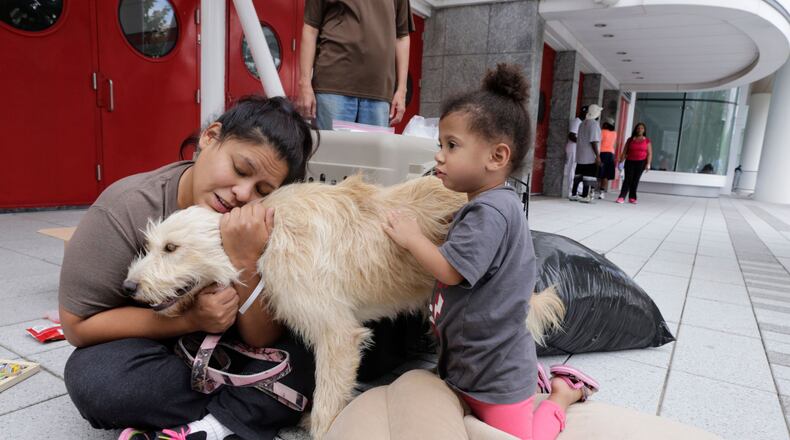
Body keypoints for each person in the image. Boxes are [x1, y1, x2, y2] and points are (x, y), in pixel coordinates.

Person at [59, 96, 318, 440]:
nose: (242, 193)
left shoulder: (265, 222)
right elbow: (77, 327)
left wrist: (245, 259)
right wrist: (190, 320)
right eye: (240, 170)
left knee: (316, 343)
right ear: (210, 137)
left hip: (242, 349)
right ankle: (254, 408)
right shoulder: (125, 207)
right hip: (163, 348)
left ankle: (211, 425)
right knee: (96, 379)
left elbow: (262, 337)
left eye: (262, 190)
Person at [382, 64, 598, 440]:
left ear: (497, 157)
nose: (439, 156)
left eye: (451, 145)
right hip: (470, 359)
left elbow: (450, 271)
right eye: (440, 144)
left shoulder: (490, 212)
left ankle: (562, 395)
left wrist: (413, 237)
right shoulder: (486, 204)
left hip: (498, 373)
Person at [296, 0, 414, 130]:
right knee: (332, 150)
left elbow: (402, 37)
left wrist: (402, 90)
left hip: (379, 91)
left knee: (371, 151)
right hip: (333, 86)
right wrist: (305, 84)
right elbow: (311, 28)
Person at [570, 104, 602, 203]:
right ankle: (585, 196)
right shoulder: (594, 124)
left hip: (580, 154)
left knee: (578, 175)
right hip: (589, 155)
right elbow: (593, 141)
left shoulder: (582, 123)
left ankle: (574, 194)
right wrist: (597, 156)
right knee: (589, 176)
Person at [617, 122, 653, 204]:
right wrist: (620, 161)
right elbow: (624, 151)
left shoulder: (647, 141)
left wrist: (648, 164)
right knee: (627, 179)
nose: (640, 129)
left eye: (642, 128)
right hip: (630, 162)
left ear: (644, 130)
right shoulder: (630, 140)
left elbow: (650, 153)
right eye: (638, 128)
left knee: (635, 180)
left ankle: (632, 197)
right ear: (636, 130)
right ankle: (621, 197)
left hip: (641, 163)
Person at [564, 106, 587, 198]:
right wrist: (582, 140)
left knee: (577, 170)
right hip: (573, 147)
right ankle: (570, 191)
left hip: (577, 148)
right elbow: (571, 135)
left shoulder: (582, 122)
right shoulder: (577, 121)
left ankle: (577, 190)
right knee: (572, 169)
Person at [597, 119, 617, 199]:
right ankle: (602, 192)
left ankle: (592, 190)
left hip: (602, 153)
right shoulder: (614, 133)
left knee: (598, 173)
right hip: (611, 154)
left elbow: (598, 142)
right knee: (606, 175)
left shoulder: (602, 131)